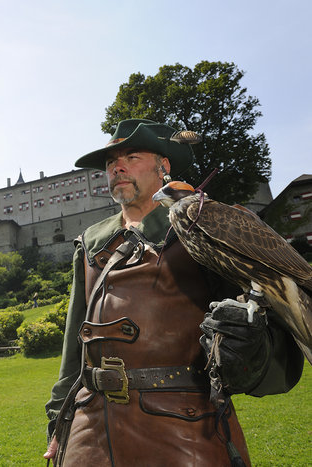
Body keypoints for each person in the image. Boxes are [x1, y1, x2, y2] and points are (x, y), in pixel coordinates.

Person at [43, 119, 304, 466]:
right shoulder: (91, 242)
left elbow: (271, 336)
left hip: (182, 429)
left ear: (163, 167)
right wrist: (58, 422)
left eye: (132, 156)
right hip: (88, 431)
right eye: (110, 163)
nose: (117, 167)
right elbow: (73, 349)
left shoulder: (203, 225)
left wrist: (250, 347)